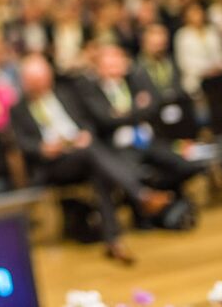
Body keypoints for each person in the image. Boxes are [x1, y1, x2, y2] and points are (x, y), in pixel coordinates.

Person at [11, 55, 171, 264]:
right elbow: (21, 143)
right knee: (93, 154)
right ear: (26, 82)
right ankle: (140, 195)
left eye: (43, 78)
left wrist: (85, 134)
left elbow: (86, 122)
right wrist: (43, 148)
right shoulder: (18, 108)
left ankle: (113, 241)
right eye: (35, 81)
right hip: (53, 164)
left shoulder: (64, 94)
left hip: (80, 153)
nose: (41, 84)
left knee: (98, 171)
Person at [76, 45, 202, 197]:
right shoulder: (90, 89)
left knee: (185, 164)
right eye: (110, 65)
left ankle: (168, 197)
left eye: (118, 61)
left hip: (149, 140)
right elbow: (105, 119)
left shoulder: (135, 80)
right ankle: (151, 201)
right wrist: (136, 109)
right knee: (134, 176)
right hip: (119, 148)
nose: (115, 67)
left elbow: (152, 107)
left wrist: (121, 114)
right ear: (99, 68)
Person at [174, 2, 222, 97]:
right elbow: (184, 63)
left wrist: (220, 66)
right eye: (193, 12)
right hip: (197, 81)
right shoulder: (182, 35)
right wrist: (206, 70)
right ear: (186, 16)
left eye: (198, 11)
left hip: (219, 77)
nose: (197, 15)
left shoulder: (212, 31)